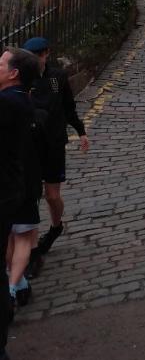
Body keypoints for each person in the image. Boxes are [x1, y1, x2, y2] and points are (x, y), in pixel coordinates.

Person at [22, 38, 89, 259]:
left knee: (52, 196)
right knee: (31, 196)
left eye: (38, 56)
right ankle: (31, 251)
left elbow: (68, 106)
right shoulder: (22, 79)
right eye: (30, 57)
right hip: (30, 145)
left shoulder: (56, 78)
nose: (35, 61)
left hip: (53, 143)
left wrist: (81, 131)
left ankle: (56, 226)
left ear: (46, 54)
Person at [0, 47, 41, 360]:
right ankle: (18, 282)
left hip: (36, 167)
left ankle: (14, 285)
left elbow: (60, 105)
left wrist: (76, 129)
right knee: (15, 237)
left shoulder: (51, 80)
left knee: (23, 234)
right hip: (19, 178)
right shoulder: (23, 94)